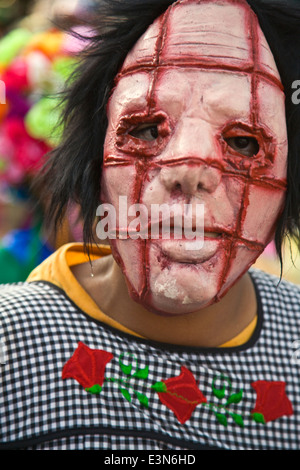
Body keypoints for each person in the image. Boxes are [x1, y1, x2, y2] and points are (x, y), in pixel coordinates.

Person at [1, 0, 300, 450]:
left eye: (243, 141)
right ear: (95, 155)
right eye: (144, 131)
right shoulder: (11, 345)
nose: (189, 170)